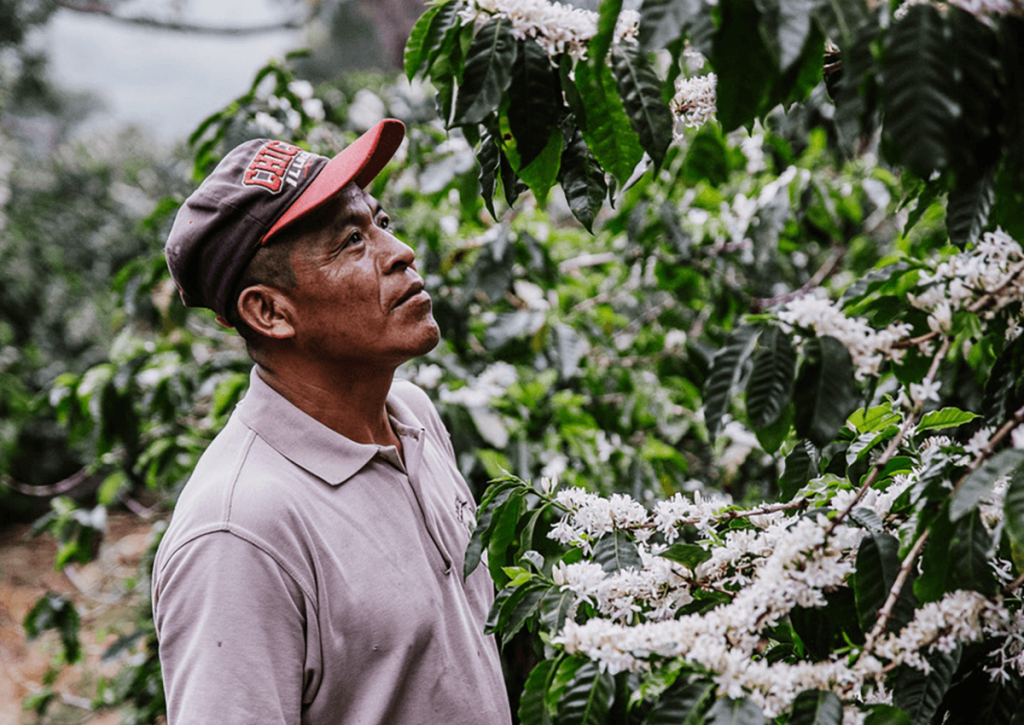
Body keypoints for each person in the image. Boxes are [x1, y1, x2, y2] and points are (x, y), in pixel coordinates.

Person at [152, 119, 512, 725]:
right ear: (269, 311)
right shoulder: (239, 532)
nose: (400, 253)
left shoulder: (413, 419)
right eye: (351, 240)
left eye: (381, 222)